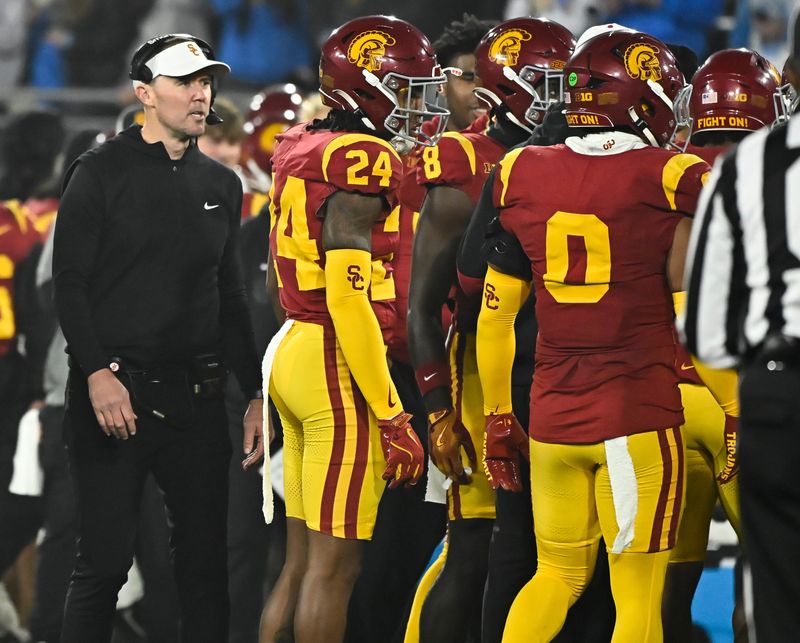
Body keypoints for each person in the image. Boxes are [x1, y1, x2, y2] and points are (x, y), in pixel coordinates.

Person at [475, 27, 709, 641]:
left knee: (554, 575)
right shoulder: (671, 175)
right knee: (638, 595)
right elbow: (693, 307)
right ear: (640, 97)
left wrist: (499, 412)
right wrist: (732, 409)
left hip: (551, 414)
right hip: (635, 412)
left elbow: (494, 313)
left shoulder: (521, 168)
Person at [52, 33, 264, 643]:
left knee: (206, 567)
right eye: (185, 82)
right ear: (145, 93)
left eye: (206, 82)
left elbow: (229, 299)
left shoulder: (222, 185)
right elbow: (69, 284)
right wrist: (95, 373)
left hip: (195, 402)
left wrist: (252, 394)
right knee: (104, 566)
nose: (201, 94)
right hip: (114, 394)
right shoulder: (98, 172)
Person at [256, 15, 441, 642]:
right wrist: (392, 415)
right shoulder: (359, 157)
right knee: (334, 570)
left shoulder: (303, 141)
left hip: (294, 351)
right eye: (410, 88)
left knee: (302, 561)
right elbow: (349, 300)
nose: (422, 105)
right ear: (370, 88)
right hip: (336, 357)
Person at [405, 17, 575, 643]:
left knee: (537, 547)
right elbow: (424, 306)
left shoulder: (562, 153)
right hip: (482, 365)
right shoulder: (466, 160)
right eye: (549, 83)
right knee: (476, 541)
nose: (564, 98)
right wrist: (437, 409)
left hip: (550, 364)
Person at [663, 46, 790, 643]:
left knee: (664, 583)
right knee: (766, 578)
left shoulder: (663, 170)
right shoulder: (776, 172)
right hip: (754, 391)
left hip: (666, 397)